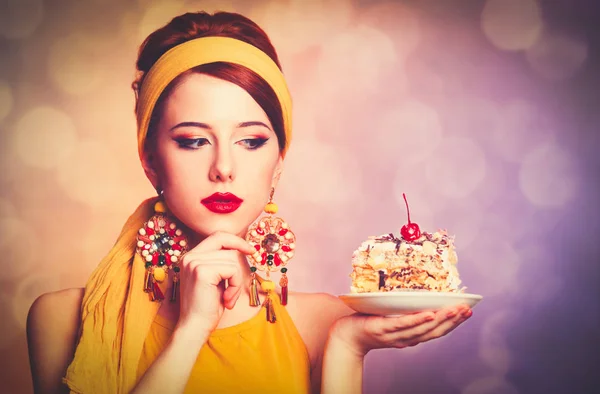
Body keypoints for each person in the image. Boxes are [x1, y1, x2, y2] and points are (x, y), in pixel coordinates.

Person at [26, 11, 473, 394]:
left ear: (279, 162)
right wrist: (191, 330)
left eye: (252, 141)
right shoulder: (63, 319)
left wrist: (347, 346)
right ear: (150, 162)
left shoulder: (323, 322)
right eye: (194, 140)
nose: (224, 167)